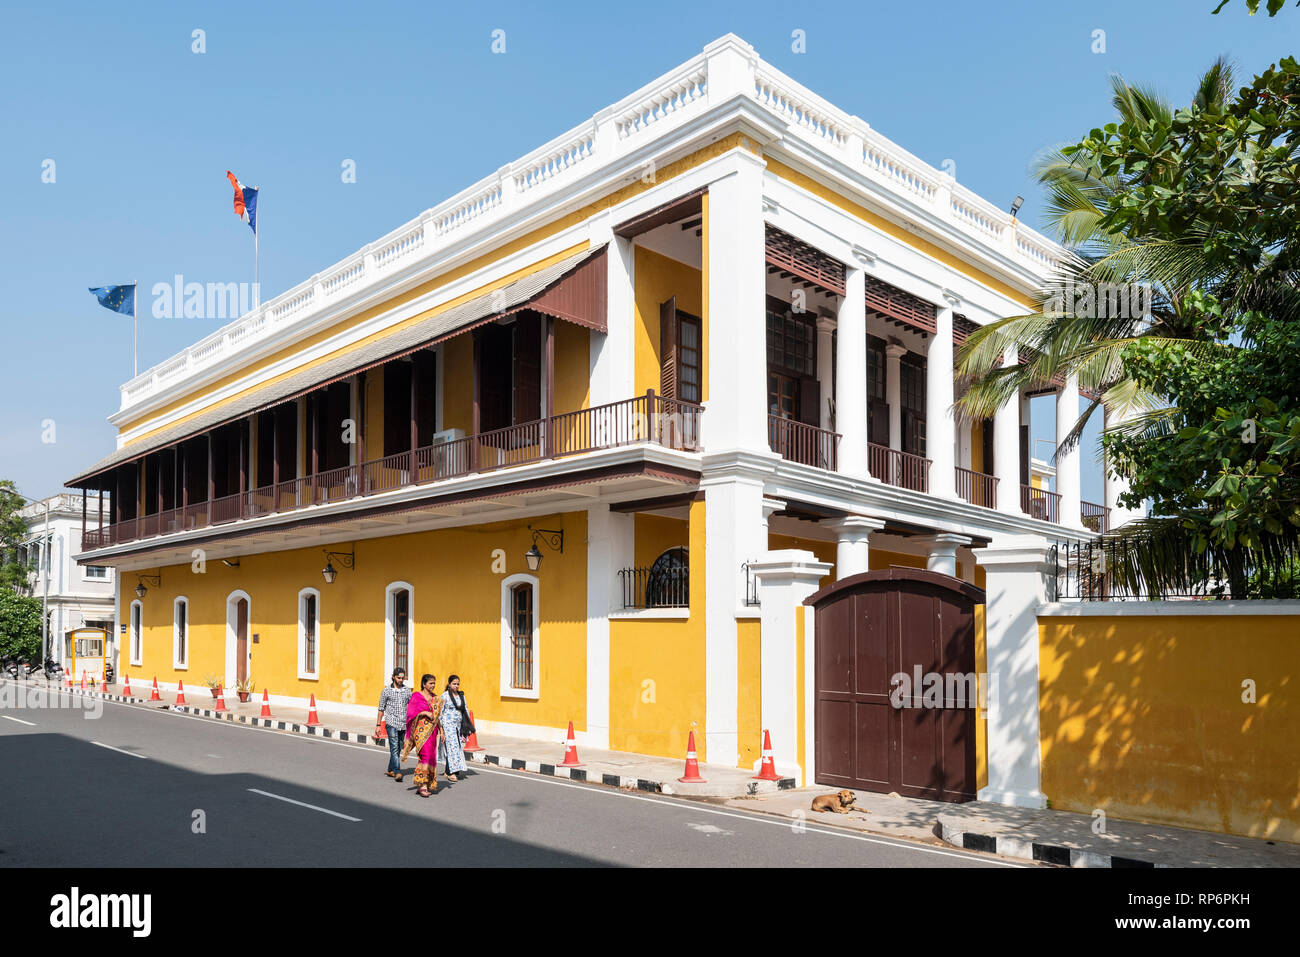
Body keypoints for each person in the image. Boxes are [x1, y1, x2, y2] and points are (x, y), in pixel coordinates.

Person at [402, 674, 442, 797]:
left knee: (431, 757)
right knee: (424, 756)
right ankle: (422, 785)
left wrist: (442, 731)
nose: (433, 685)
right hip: (420, 732)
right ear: (424, 684)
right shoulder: (416, 696)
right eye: (430, 683)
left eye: (434, 683)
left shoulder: (436, 698)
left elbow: (437, 717)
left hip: (432, 733)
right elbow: (410, 714)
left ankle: (428, 782)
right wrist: (424, 712)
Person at [376, 668, 411, 781]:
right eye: (398, 678)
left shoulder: (407, 691)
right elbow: (381, 709)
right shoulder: (386, 691)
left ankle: (391, 769)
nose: (400, 680)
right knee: (394, 747)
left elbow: (411, 707)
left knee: (399, 747)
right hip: (391, 722)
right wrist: (377, 725)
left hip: (403, 723)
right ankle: (397, 771)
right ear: (393, 677)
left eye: (402, 678)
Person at [439, 674, 471, 781]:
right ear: (449, 684)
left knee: (456, 747)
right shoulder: (445, 696)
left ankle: (448, 770)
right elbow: (440, 713)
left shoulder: (461, 696)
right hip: (448, 725)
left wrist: (467, 725)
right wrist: (441, 730)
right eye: (454, 684)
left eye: (458, 684)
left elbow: (465, 709)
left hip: (459, 726)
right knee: (452, 747)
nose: (456, 686)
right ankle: (451, 772)